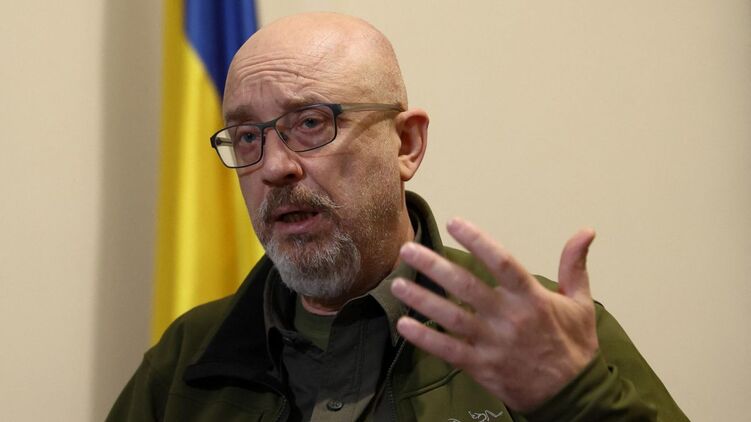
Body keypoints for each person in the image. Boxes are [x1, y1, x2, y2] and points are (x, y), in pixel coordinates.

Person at [108, 12, 687, 421]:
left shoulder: (536, 333)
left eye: (310, 123)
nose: (275, 166)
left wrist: (577, 402)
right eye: (246, 136)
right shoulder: (188, 358)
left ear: (406, 144)